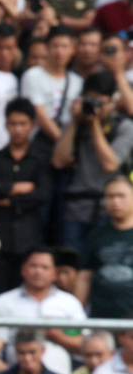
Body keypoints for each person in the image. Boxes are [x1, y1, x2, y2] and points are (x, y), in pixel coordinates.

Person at [53, 73, 133, 253]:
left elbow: (110, 164)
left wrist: (94, 124)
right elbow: (58, 161)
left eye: (100, 103)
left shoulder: (124, 127)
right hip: (75, 209)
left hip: (109, 210)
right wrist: (74, 121)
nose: (94, 107)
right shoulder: (75, 124)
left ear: (112, 102)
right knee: (71, 264)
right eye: (90, 101)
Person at [0, 98, 50, 296]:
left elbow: (42, 194)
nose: (17, 129)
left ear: (32, 126)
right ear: (6, 124)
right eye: (13, 123)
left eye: (23, 124)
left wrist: (7, 196)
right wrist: (19, 187)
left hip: (29, 239)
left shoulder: (40, 159)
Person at [0, 248, 86, 374]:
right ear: (23, 269)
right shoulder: (3, 302)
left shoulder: (69, 303)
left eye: (45, 267)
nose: (38, 271)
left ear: (54, 273)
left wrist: (58, 337)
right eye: (33, 266)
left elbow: (83, 345)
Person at [75, 176, 133, 318]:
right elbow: (84, 277)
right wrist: (76, 316)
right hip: (101, 316)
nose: (115, 201)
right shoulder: (96, 235)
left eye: (121, 196)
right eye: (110, 196)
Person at [19, 25, 82, 152]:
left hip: (67, 144)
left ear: (72, 50)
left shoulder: (78, 82)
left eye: (64, 47)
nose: (59, 52)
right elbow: (40, 114)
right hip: (39, 146)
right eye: (55, 46)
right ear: (47, 48)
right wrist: (63, 147)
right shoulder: (33, 76)